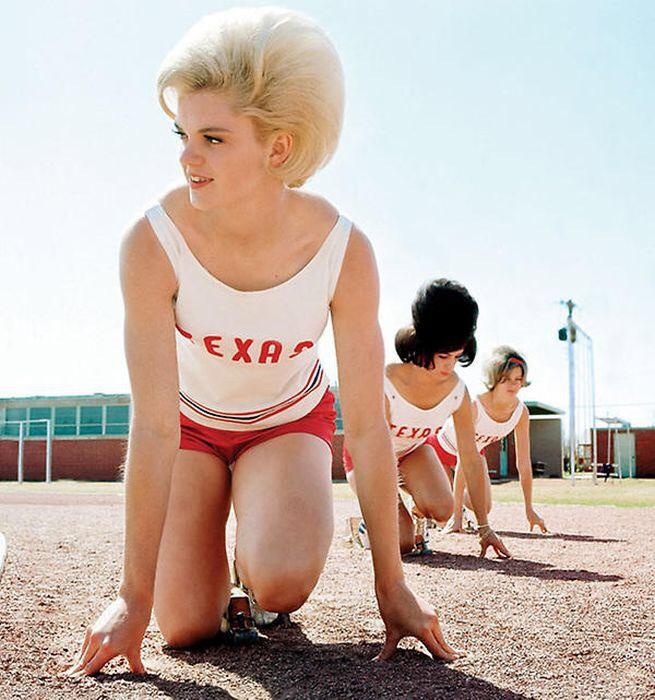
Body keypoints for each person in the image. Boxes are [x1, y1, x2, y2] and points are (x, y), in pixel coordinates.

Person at [65, 7, 461, 677]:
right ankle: (197, 573)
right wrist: (132, 597)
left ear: (278, 148)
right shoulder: (151, 243)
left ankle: (256, 558)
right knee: (183, 625)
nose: (186, 156)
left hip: (284, 424)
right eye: (181, 132)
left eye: (213, 138)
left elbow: (366, 428)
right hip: (190, 428)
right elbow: (155, 426)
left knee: (281, 584)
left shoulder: (343, 251)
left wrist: (390, 586)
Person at [344, 280, 511, 559]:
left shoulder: (457, 392)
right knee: (401, 543)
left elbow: (470, 457)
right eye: (443, 355)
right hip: (368, 458)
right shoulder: (386, 382)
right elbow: (375, 453)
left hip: (411, 453)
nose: (450, 366)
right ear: (423, 343)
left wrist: (484, 527)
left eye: (457, 356)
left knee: (445, 510)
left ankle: (412, 519)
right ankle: (364, 527)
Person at [433, 346, 548, 533]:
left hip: (474, 453)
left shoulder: (521, 413)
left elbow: (524, 464)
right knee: (440, 505)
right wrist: (457, 519)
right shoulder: (475, 405)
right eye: (506, 379)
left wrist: (529, 509)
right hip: (441, 449)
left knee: (484, 506)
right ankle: (439, 504)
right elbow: (464, 457)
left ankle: (450, 499)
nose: (513, 385)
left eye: (518, 379)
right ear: (494, 378)